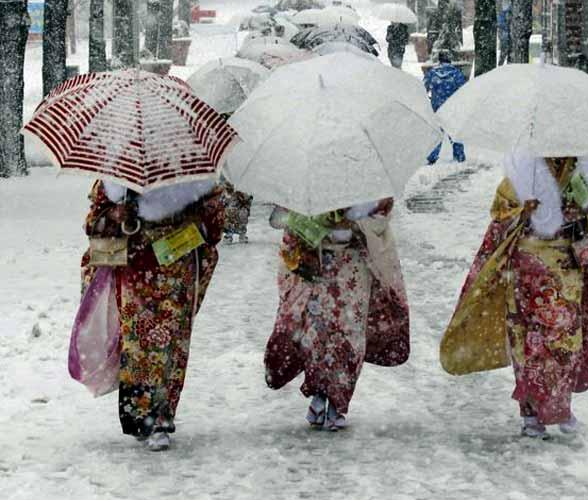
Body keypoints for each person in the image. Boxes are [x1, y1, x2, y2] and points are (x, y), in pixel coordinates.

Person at [440, 153, 588, 438]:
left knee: (564, 341)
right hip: (527, 263)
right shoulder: (522, 170)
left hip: (565, 264)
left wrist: (580, 213)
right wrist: (522, 213)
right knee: (528, 340)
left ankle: (560, 406)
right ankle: (531, 414)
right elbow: (499, 213)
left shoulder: (587, 169)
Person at [79, 179, 228, 451]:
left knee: (170, 346)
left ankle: (160, 416)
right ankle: (143, 415)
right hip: (136, 270)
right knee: (139, 346)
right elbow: (92, 224)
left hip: (176, 270)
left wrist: (192, 221)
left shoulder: (194, 176)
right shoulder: (116, 177)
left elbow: (215, 220)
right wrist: (113, 215)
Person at [264, 198, 410, 431]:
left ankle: (338, 400)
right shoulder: (310, 182)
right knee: (318, 334)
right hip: (321, 265)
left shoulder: (370, 183)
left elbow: (381, 216)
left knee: (349, 336)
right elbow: (288, 222)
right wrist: (316, 226)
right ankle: (320, 395)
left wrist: (355, 222)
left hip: (354, 268)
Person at [423, 50, 467, 162]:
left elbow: (423, 88)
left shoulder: (432, 73)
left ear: (439, 59)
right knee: (455, 132)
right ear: (450, 60)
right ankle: (459, 155)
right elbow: (464, 90)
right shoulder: (456, 73)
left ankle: (432, 157)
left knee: (437, 133)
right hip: (452, 108)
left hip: (437, 108)